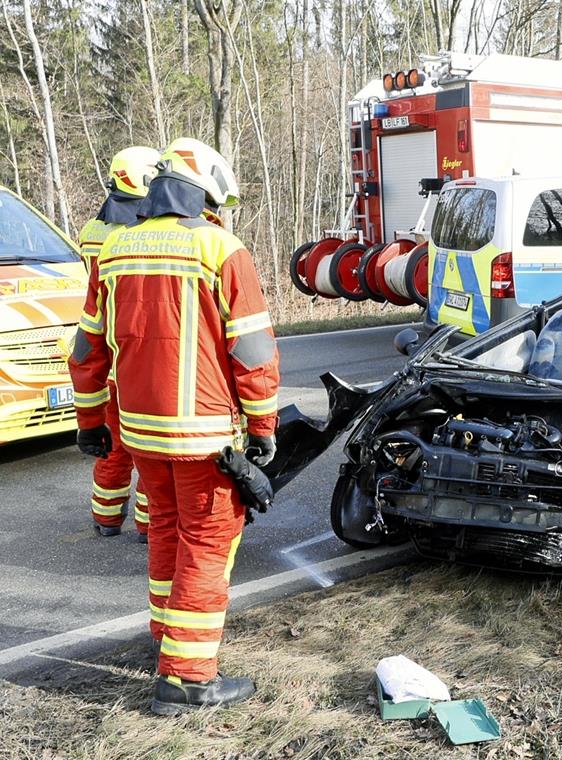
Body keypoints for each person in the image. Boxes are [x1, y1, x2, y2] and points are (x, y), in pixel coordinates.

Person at [68, 137, 280, 714]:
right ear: (204, 191)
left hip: (138, 431)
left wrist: (91, 420)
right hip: (204, 437)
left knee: (164, 531)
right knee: (208, 544)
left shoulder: (115, 248)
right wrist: (262, 427)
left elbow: (87, 347)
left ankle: (165, 641)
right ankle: (186, 680)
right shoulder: (220, 249)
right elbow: (254, 351)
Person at [75, 146, 159, 540]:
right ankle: (148, 524)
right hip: (135, 355)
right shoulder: (140, 233)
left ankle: (106, 519)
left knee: (112, 446)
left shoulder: (93, 230)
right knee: (150, 452)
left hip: (102, 354)